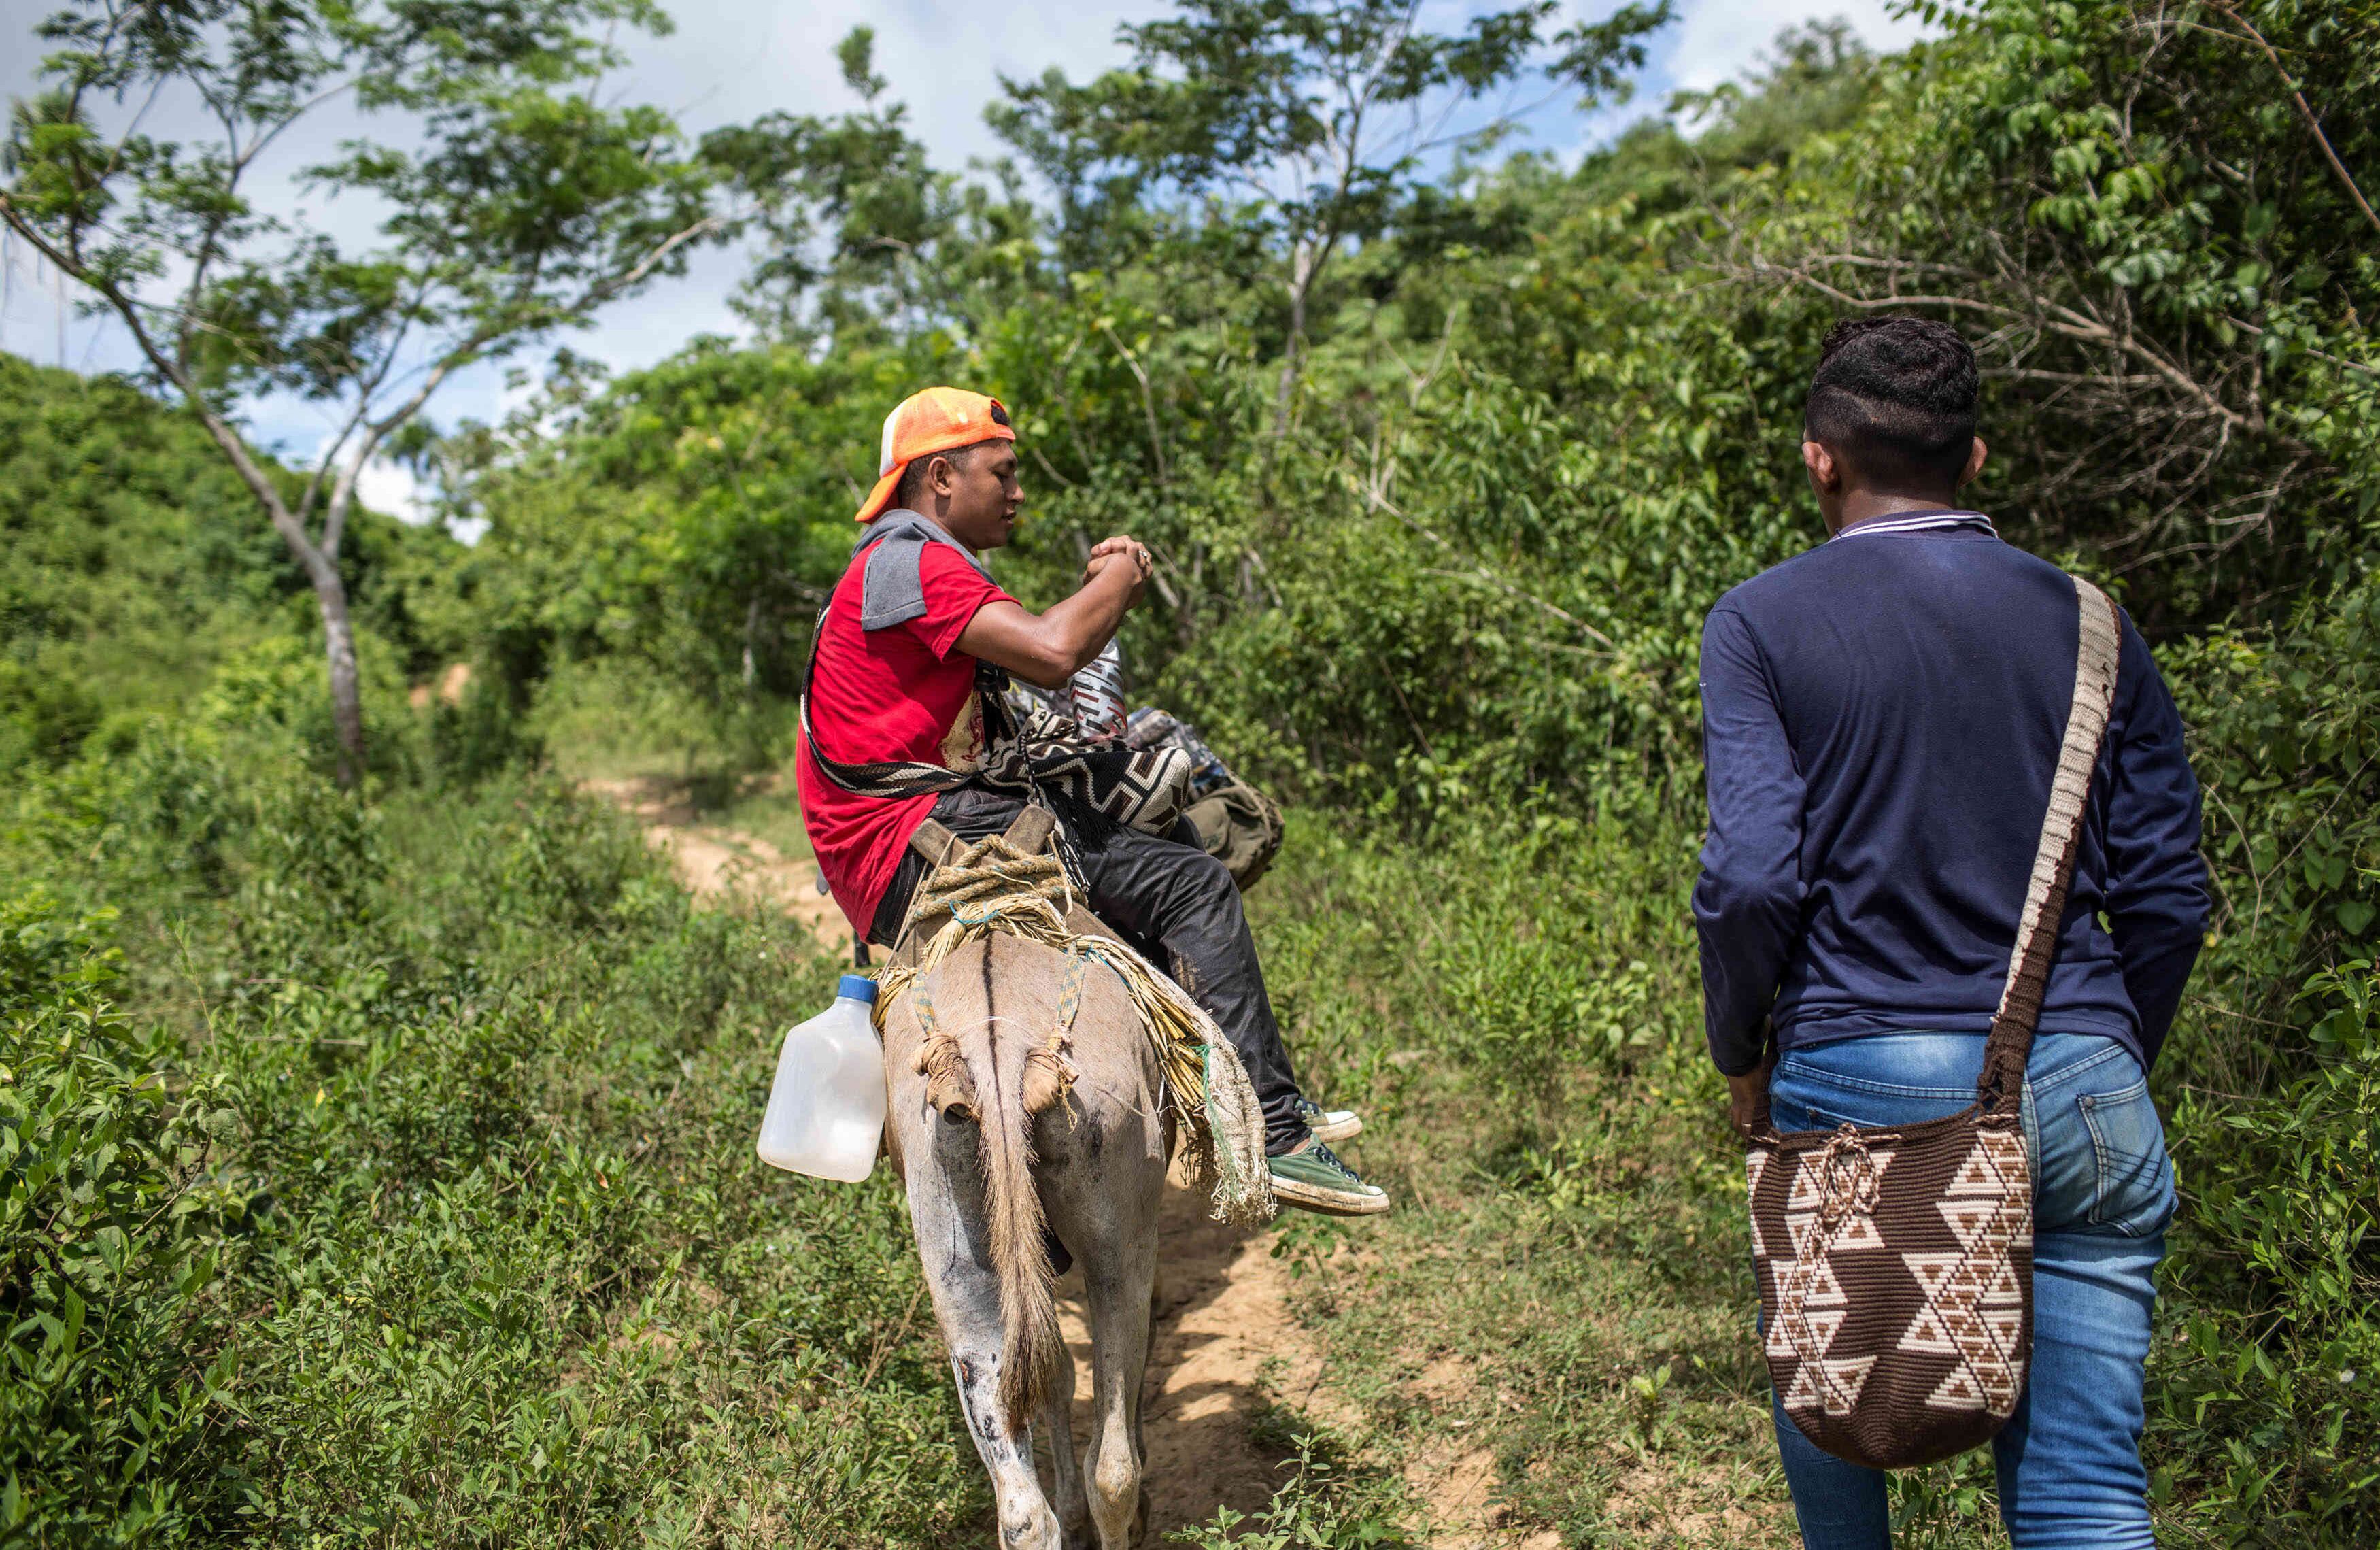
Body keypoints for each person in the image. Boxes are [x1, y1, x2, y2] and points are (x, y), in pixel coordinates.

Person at [1695, 318, 2209, 1547]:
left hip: (1864, 1077)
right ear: (1974, 458)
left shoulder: (1759, 622)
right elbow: (2169, 892)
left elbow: (1753, 880)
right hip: (2085, 1077)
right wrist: (2099, 1046)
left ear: (1821, 460)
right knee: (2087, 1493)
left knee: (1835, 1406)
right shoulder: (2094, 621)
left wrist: (1739, 1050)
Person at [796, 386, 1388, 1216]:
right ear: (938, 477)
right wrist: (1120, 574)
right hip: (918, 840)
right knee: (1192, 882)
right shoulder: (911, 559)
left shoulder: (901, 561)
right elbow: (1052, 650)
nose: (1017, 491)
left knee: (1136, 885)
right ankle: (1279, 1132)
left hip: (894, 844)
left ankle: (1206, 1095)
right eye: (1000, 473)